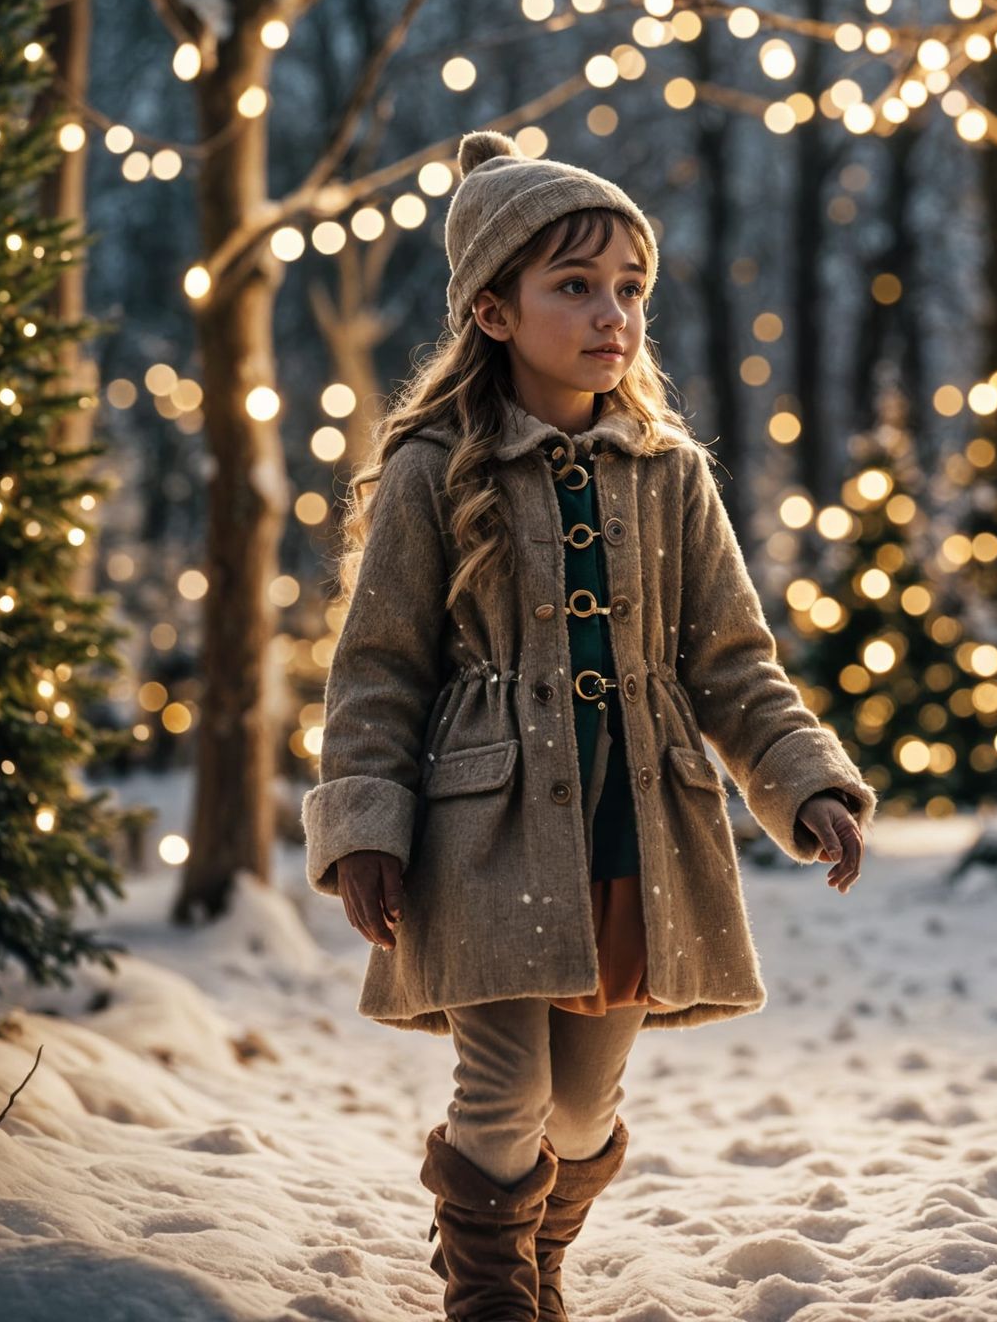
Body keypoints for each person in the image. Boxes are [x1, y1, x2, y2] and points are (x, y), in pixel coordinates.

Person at [300, 128, 878, 1320]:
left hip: (634, 833)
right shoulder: (432, 469)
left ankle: (539, 1246)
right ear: (493, 310)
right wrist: (365, 826)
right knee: (504, 1090)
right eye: (574, 285)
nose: (612, 314)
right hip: (484, 832)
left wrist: (807, 779)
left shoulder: (670, 472)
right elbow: (378, 669)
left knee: (578, 1107)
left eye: (629, 287)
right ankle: (493, 1292)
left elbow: (732, 664)